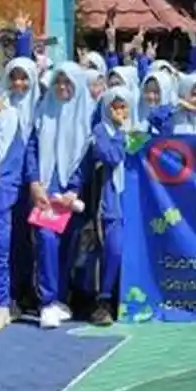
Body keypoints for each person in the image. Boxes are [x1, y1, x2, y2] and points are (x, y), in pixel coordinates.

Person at [26, 63, 93, 329]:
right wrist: (33, 183)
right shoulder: (44, 110)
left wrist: (74, 188)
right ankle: (47, 301)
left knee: (68, 247)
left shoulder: (87, 115)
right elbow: (32, 147)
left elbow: (86, 157)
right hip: (46, 187)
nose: (63, 88)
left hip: (70, 193)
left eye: (68, 83)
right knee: (46, 240)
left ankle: (61, 297)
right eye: (58, 82)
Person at [85, 88, 132, 325]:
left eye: (124, 106)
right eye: (115, 106)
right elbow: (111, 156)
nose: (120, 112)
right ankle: (102, 301)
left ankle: (121, 301)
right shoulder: (101, 131)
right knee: (112, 250)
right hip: (109, 203)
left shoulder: (134, 130)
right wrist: (121, 134)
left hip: (130, 202)